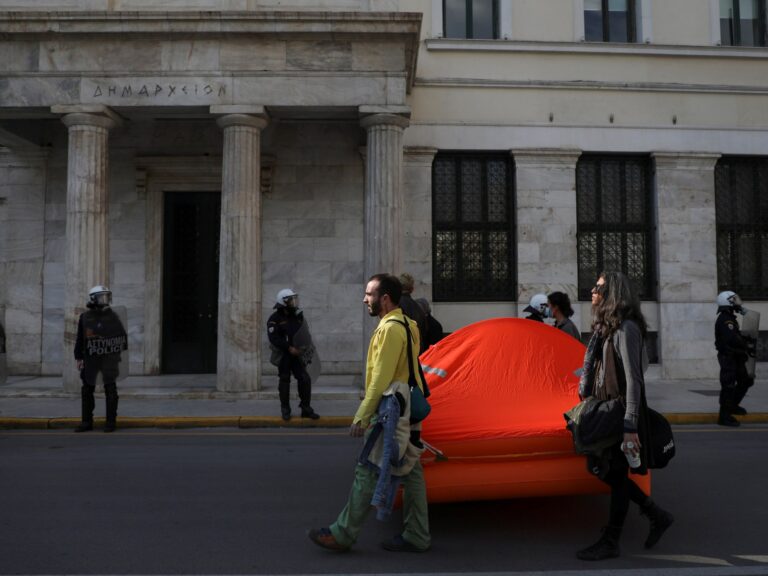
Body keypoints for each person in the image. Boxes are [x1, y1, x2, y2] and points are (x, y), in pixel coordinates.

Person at [308, 273, 431, 553]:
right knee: (411, 472)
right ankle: (417, 534)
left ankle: (343, 533)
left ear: (384, 299)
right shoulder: (407, 324)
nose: (365, 299)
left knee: (367, 469)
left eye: (369, 294)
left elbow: (380, 379)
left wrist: (363, 414)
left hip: (390, 409)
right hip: (406, 408)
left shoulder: (389, 329)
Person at [576, 271, 673, 561]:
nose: (592, 291)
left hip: (621, 413)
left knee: (615, 474)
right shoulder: (606, 328)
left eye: (598, 287)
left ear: (612, 294)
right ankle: (656, 515)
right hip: (609, 408)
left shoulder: (625, 329)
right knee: (603, 470)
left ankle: (611, 540)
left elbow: (634, 380)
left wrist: (630, 425)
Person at [74, 285, 128, 433]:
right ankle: (86, 422)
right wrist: (78, 356)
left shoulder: (113, 316)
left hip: (109, 358)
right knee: (87, 390)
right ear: (93, 299)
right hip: (90, 357)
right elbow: (80, 338)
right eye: (101, 297)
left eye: (106, 296)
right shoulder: (85, 317)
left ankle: (110, 422)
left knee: (110, 389)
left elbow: (122, 337)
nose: (104, 300)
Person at [267, 288, 319, 421]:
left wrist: (306, 347)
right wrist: (288, 348)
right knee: (284, 380)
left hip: (298, 355)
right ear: (283, 302)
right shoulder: (274, 319)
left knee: (305, 379)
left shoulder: (297, 315)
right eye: (291, 300)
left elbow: (304, 332)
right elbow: (274, 338)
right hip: (284, 355)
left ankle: (306, 408)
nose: (293, 302)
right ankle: (285, 409)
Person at [715, 290, 755, 427]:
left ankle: (732, 406)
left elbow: (735, 336)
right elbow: (731, 339)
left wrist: (745, 339)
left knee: (746, 380)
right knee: (728, 386)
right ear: (728, 302)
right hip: (729, 357)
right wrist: (745, 344)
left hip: (736, 356)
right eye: (734, 299)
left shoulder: (730, 317)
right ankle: (724, 417)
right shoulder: (726, 320)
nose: (737, 302)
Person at [398, 273, 428, 354]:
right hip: (416, 352)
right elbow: (424, 332)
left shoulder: (395, 306)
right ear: (412, 289)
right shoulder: (419, 308)